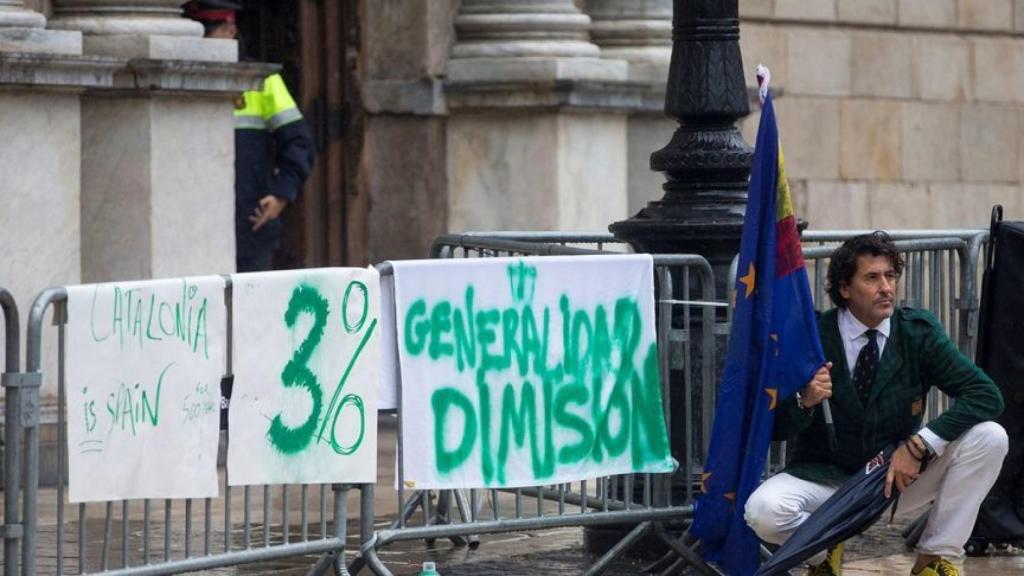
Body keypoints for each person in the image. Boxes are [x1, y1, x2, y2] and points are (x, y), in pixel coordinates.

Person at [744, 232, 1007, 576]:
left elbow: (986, 394)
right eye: (872, 277)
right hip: (826, 480)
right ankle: (823, 550)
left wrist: (919, 445)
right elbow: (776, 429)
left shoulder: (916, 333)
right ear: (845, 288)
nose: (886, 287)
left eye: (890, 276)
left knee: (991, 437)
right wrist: (804, 400)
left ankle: (934, 557)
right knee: (762, 511)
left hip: (893, 478)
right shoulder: (813, 337)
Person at [184, 0, 316, 272]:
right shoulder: (182, 79)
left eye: (209, 33)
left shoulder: (263, 81)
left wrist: (281, 195)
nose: (203, 43)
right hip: (194, 225)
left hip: (250, 224)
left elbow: (299, 143)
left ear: (230, 30)